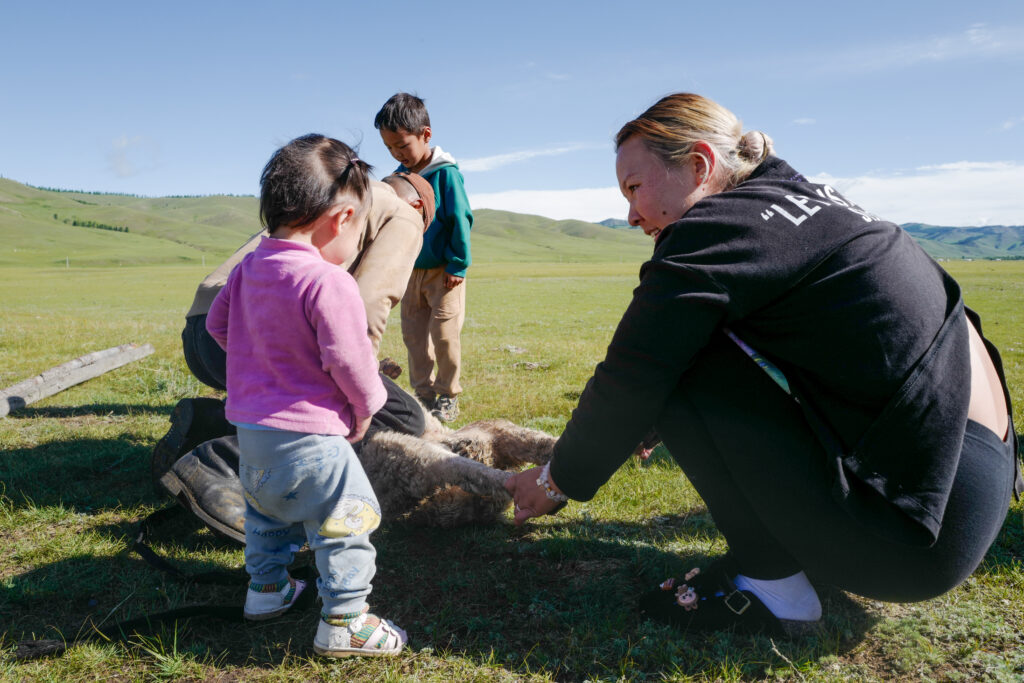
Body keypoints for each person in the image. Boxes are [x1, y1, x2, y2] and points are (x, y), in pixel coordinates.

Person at [506, 93, 1021, 636]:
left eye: (634, 188)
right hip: (964, 493)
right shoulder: (804, 204)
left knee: (681, 365)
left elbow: (632, 374)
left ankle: (777, 589)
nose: (631, 214)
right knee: (691, 350)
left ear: (701, 165)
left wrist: (557, 479)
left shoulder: (716, 231)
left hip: (915, 539)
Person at [152, 170, 435, 543]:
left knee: (287, 396)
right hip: (257, 330)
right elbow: (369, 304)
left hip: (205, 332)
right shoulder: (404, 214)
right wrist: (355, 391)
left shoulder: (320, 188)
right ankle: (222, 461)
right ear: (418, 205)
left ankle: (208, 425)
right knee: (405, 418)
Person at [206, 134, 406, 656]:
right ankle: (346, 620)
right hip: (314, 440)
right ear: (341, 219)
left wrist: (264, 365)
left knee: (267, 518)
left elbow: (217, 325)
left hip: (251, 437)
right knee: (347, 521)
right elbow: (351, 360)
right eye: (360, 231)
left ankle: (267, 591)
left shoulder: (248, 268)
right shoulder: (328, 280)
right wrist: (366, 408)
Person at [375, 92, 473, 423]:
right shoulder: (399, 180)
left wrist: (458, 264)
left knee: (444, 336)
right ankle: (423, 394)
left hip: (445, 271)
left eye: (402, 145)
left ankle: (447, 395)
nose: (397, 153)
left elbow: (460, 218)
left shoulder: (446, 174)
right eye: (390, 148)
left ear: (425, 135)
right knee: (413, 336)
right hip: (410, 271)